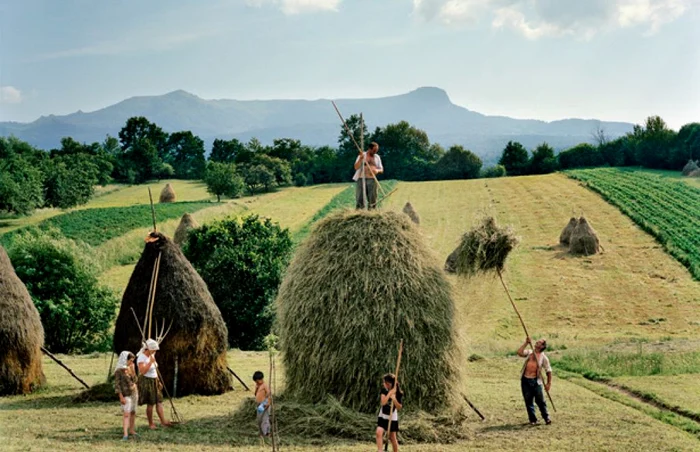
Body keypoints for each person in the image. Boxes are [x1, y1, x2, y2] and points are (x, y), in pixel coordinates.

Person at [517, 337, 552, 425]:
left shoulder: (543, 357)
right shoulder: (530, 352)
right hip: (525, 380)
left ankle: (546, 417)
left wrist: (548, 383)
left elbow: (548, 370)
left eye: (539, 342)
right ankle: (533, 420)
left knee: (540, 400)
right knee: (528, 401)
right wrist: (526, 343)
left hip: (536, 381)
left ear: (542, 346)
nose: (537, 342)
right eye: (537, 341)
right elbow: (519, 352)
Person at [137, 339, 171, 429]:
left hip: (154, 380)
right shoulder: (142, 358)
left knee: (159, 401)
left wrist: (158, 380)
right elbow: (143, 371)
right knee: (151, 403)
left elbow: (155, 370)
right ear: (149, 349)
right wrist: (150, 362)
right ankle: (151, 424)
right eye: (154, 349)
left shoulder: (152, 355)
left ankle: (163, 421)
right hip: (147, 381)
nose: (155, 351)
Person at [375, 373, 402, 452]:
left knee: (392, 437)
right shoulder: (384, 390)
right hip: (383, 415)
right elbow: (383, 402)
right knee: (378, 432)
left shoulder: (398, 393)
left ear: (389, 383)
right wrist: (390, 393)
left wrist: (394, 399)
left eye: (385, 383)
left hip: (392, 417)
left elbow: (399, 407)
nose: (383, 384)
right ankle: (380, 450)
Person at [114, 351, 138, 441]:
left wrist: (133, 372)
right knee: (126, 414)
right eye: (130, 360)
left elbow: (135, 380)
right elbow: (117, 385)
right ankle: (125, 434)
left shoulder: (130, 368)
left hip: (134, 392)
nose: (131, 363)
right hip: (125, 394)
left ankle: (132, 430)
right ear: (125, 360)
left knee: (133, 412)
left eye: (132, 361)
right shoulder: (118, 371)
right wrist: (121, 396)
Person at [353, 142, 383, 210]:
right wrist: (360, 159)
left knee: (372, 198)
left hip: (372, 179)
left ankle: (372, 213)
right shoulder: (362, 155)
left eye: (376, 150)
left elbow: (381, 169)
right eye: (374, 150)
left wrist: (377, 171)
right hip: (361, 179)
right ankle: (359, 213)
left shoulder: (377, 157)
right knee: (360, 198)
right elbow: (356, 167)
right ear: (369, 149)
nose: (375, 152)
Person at [253, 370, 271, 438]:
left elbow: (269, 395)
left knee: (265, 419)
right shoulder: (258, 385)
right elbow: (256, 394)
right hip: (259, 405)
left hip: (264, 404)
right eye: (256, 382)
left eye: (258, 381)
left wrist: (268, 403)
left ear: (261, 379)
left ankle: (266, 433)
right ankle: (261, 433)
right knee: (259, 419)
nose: (257, 382)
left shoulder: (265, 385)